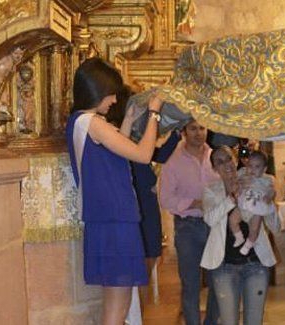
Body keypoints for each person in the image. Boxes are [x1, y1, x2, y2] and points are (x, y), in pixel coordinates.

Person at [65, 57, 162, 325]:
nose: (114, 101)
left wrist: (129, 120)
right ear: (97, 90)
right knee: (116, 311)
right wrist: (155, 113)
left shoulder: (82, 122)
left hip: (108, 220)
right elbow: (143, 155)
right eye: (111, 94)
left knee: (116, 306)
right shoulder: (91, 123)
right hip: (115, 221)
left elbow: (116, 156)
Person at [106, 86, 182, 286]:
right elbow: (145, 156)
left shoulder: (135, 136)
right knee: (138, 259)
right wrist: (153, 115)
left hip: (146, 201)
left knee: (151, 254)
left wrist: (177, 131)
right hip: (134, 201)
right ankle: (134, 306)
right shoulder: (117, 134)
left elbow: (160, 155)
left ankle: (137, 306)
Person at [201, 146, 280, 325]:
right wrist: (232, 198)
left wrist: (269, 205)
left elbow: (276, 227)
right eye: (219, 162)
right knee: (229, 321)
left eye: (229, 159)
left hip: (256, 264)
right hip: (224, 266)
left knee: (254, 321)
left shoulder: (257, 181)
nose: (226, 165)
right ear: (214, 168)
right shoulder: (211, 191)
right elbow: (210, 219)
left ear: (236, 159)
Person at [158, 120, 219, 325]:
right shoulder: (173, 161)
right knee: (190, 284)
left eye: (202, 128)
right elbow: (165, 198)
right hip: (188, 228)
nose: (199, 133)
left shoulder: (216, 158)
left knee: (217, 282)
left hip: (215, 227)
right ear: (184, 131)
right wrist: (194, 202)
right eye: (193, 128)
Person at [231, 150, 276, 255]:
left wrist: (269, 196)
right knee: (232, 219)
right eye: (250, 165)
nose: (252, 169)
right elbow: (235, 183)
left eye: (257, 167)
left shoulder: (267, 179)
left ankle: (249, 244)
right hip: (243, 205)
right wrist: (239, 184)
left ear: (264, 169)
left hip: (257, 207)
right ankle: (239, 237)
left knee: (254, 228)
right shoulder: (243, 172)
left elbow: (271, 191)